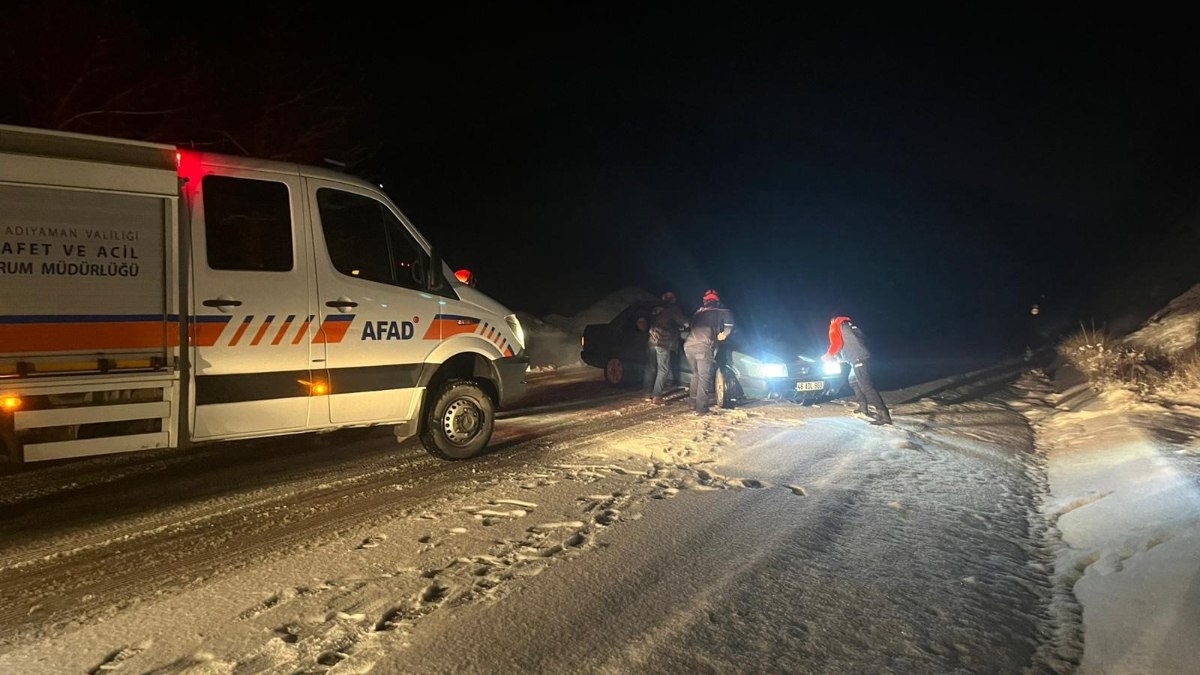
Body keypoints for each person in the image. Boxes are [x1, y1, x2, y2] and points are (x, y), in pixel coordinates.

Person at [824, 315, 892, 425]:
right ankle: (863, 407)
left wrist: (828, 355)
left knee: (866, 386)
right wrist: (843, 357)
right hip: (861, 356)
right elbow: (857, 341)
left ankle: (884, 415)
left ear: (832, 319)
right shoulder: (850, 324)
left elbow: (836, 343)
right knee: (853, 381)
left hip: (857, 358)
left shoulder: (836, 324)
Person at [684, 289, 734, 415]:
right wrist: (723, 335)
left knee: (695, 375)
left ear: (705, 301)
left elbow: (692, 327)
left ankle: (692, 403)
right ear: (717, 301)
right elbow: (729, 327)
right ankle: (701, 408)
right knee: (704, 377)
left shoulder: (698, 313)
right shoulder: (723, 312)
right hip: (703, 346)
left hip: (689, 345)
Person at [643, 291, 688, 404]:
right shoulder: (672, 308)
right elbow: (684, 322)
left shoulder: (655, 309)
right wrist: (691, 323)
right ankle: (657, 395)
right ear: (673, 299)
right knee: (663, 369)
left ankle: (647, 393)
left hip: (652, 340)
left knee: (651, 367)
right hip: (663, 341)